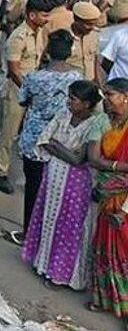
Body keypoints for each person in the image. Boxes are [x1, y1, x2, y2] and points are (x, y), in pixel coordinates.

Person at [21, 80, 107, 290]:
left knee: (69, 225)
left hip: (76, 182)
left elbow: (80, 160)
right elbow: (44, 141)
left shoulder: (96, 123)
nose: (68, 102)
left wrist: (57, 146)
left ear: (86, 104)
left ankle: (62, 273)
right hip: (53, 177)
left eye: (73, 99)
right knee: (48, 217)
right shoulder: (63, 115)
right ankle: (43, 264)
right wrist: (65, 151)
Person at [13, 30, 82, 245]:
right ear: (69, 52)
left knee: (33, 188)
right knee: (55, 189)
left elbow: (22, 101)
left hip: (34, 138)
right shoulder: (76, 77)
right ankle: (49, 237)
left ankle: (28, 234)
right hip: (62, 140)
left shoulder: (35, 77)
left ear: (48, 51)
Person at [0, 0, 53, 195]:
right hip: (19, 90)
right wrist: (28, 91)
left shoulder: (39, 32)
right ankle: (1, 172)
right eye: (44, 15)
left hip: (33, 88)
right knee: (9, 132)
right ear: (32, 15)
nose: (47, 19)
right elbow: (14, 69)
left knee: (28, 130)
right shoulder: (18, 37)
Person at [88, 77, 128, 318]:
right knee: (104, 246)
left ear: (125, 96)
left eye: (110, 95)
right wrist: (119, 167)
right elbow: (94, 158)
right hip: (106, 195)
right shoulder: (105, 121)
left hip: (124, 203)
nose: (106, 100)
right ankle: (105, 299)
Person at [67, 2, 102, 83]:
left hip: (89, 82)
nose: (92, 27)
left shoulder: (94, 34)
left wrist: (98, 82)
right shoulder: (64, 37)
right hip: (72, 85)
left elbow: (95, 59)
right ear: (77, 20)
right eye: (89, 24)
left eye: (94, 24)